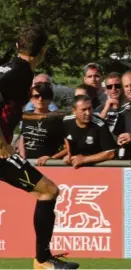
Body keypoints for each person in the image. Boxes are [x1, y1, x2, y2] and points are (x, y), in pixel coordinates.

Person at [0, 24, 79, 269]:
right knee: (48, 191)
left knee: (46, 191)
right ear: (43, 51)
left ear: (17, 46)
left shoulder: (9, 66)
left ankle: (42, 260)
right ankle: (42, 261)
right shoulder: (21, 72)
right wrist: (1, 143)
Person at [62, 95, 117, 168]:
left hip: (97, 168)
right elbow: (66, 142)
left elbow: (110, 153)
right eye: (83, 110)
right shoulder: (66, 122)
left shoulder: (100, 124)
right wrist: (54, 157)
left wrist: (84, 159)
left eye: (90, 108)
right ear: (74, 111)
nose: (88, 113)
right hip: (76, 168)